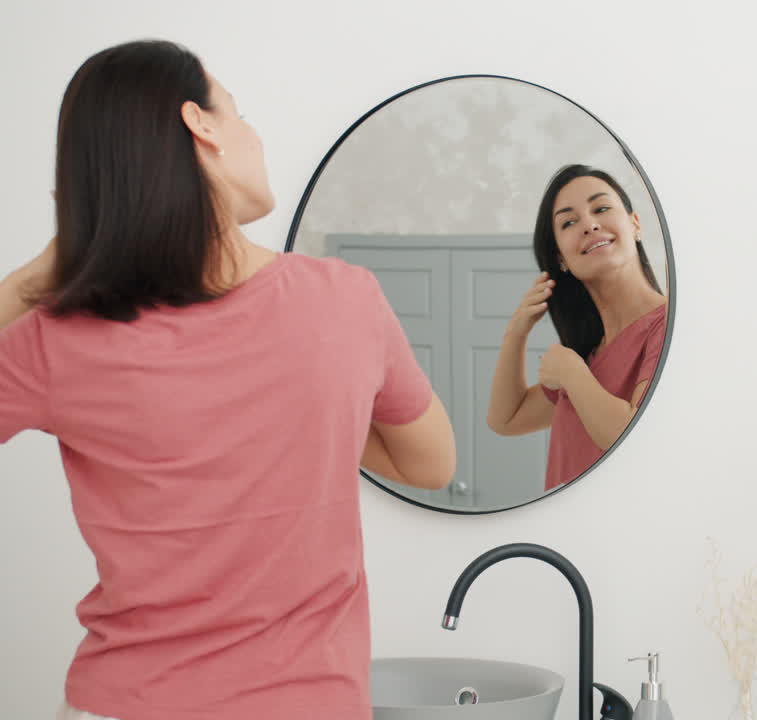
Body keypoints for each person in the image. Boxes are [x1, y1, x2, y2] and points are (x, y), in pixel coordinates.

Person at [0, 40, 456, 720]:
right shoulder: (343, 301)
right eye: (237, 112)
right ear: (201, 124)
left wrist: (33, 280)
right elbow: (432, 464)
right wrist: (316, 405)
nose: (253, 134)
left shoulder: (58, 336)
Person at [487, 164, 668, 491]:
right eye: (569, 222)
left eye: (601, 208)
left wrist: (572, 374)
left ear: (635, 224)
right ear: (561, 259)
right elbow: (506, 419)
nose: (590, 224)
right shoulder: (589, 354)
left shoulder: (666, 326)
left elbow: (634, 441)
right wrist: (516, 332)